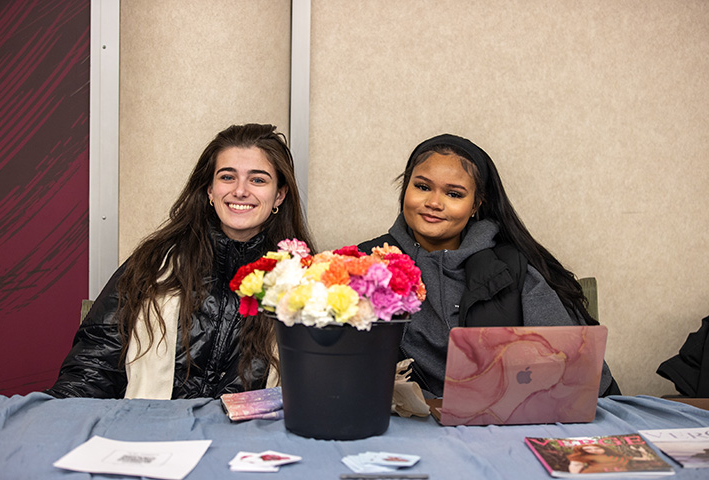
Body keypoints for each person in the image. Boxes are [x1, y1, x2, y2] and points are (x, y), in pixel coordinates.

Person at [46, 123, 315, 399]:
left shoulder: (307, 282)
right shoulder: (153, 263)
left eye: (258, 180)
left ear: (279, 195)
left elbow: (319, 383)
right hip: (153, 435)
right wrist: (57, 419)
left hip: (249, 438)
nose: (240, 191)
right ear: (209, 190)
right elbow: (94, 364)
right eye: (227, 177)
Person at [358, 133, 620, 397]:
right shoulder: (361, 264)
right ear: (406, 188)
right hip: (399, 424)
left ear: (475, 205)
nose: (434, 203)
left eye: (454, 194)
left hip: (500, 425)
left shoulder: (511, 268)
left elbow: (578, 369)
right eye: (423, 187)